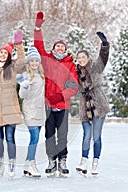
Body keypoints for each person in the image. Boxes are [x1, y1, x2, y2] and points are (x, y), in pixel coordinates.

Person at [33, 11, 79, 177]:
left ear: (66, 49)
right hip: (47, 105)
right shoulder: (47, 59)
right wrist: (38, 28)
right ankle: (52, 160)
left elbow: (73, 85)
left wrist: (60, 96)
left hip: (62, 105)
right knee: (49, 134)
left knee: (63, 134)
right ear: (53, 48)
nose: (60, 48)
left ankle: (63, 160)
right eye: (58, 46)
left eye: (63, 46)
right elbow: (38, 46)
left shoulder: (70, 65)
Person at [0, 29, 25, 178]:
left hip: (10, 107)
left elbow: (22, 60)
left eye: (6, 53)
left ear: (9, 56)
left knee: (10, 137)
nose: (3, 55)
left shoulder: (13, 68)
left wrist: (19, 45)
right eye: (1, 53)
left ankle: (11, 165)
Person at [75, 32, 110, 176]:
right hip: (85, 107)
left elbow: (103, 57)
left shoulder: (96, 67)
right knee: (86, 135)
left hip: (99, 106)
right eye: (79, 58)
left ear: (88, 58)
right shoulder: (75, 72)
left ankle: (95, 163)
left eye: (83, 57)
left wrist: (105, 45)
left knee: (96, 136)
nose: (81, 59)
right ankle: (83, 162)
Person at [16, 47, 45, 178]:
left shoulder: (42, 76)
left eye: (36, 61)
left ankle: (27, 166)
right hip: (30, 110)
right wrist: (24, 86)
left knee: (36, 137)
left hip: (40, 110)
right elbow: (22, 95)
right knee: (34, 138)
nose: (34, 63)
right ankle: (32, 164)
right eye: (32, 61)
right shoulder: (26, 76)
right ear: (28, 63)